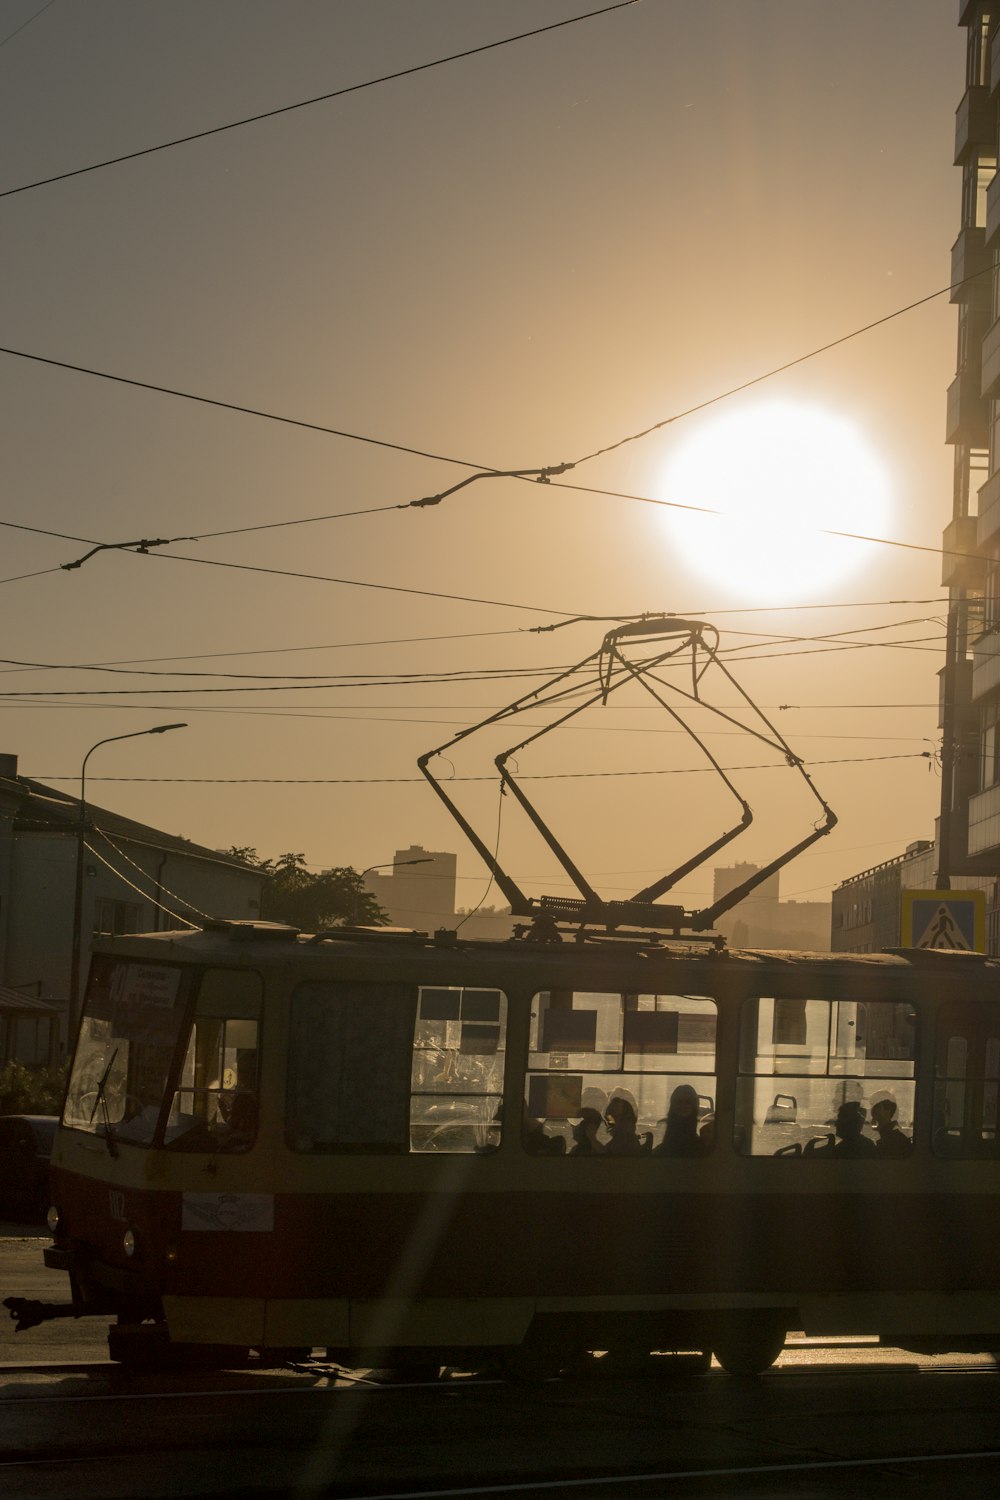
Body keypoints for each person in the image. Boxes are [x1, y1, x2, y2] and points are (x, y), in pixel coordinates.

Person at [804, 1100, 877, 1158]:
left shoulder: (843, 1150)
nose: (836, 1124)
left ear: (849, 1123)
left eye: (839, 1119)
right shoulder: (868, 1144)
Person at [654, 1084, 704, 1157]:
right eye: (678, 1102)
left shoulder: (701, 1147)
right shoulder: (661, 1150)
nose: (682, 1106)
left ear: (694, 1106)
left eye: (687, 1102)